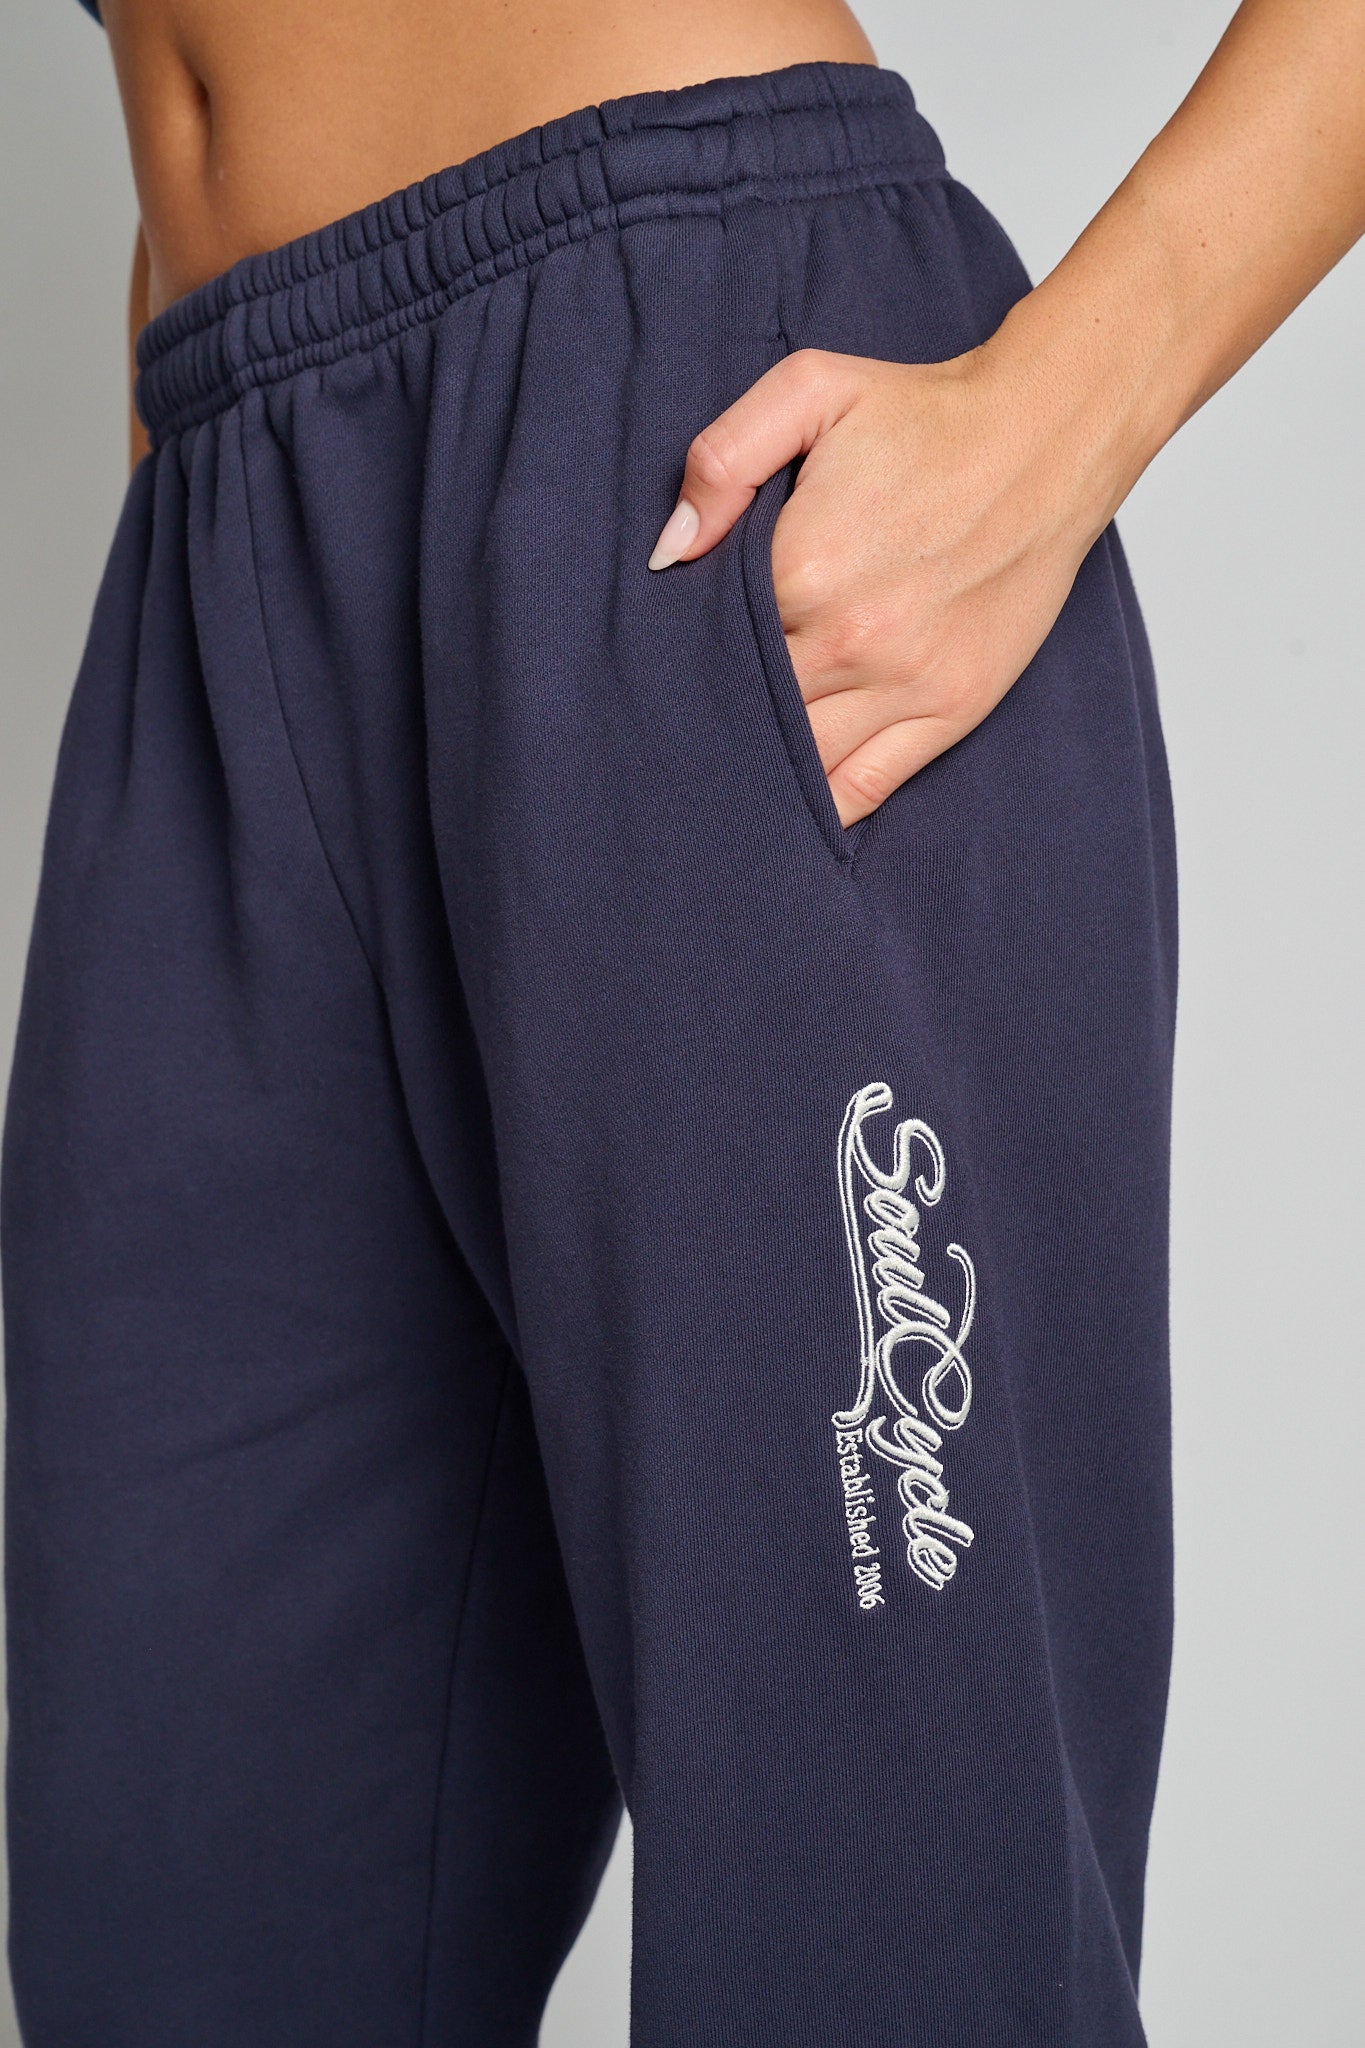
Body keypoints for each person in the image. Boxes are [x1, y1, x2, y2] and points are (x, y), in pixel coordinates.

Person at [2, 0, 1360, 2042]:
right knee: (185, 1939)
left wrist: (1066, 407)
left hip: (681, 440)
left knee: (878, 1941)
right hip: (218, 531)